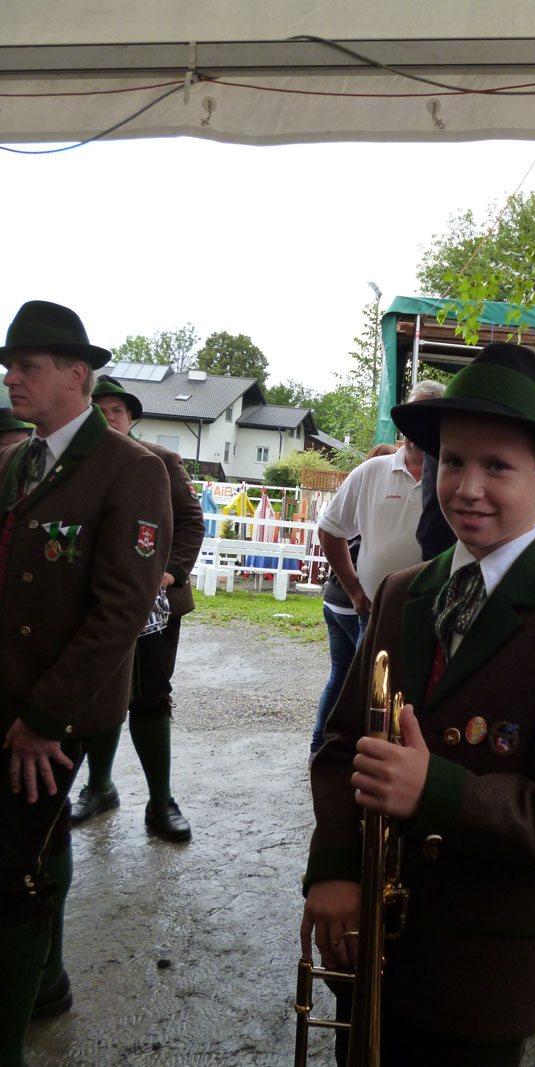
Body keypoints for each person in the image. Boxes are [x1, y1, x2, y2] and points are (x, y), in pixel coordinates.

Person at [300, 343, 535, 1067]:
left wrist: (438, 791)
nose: (468, 487)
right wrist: (332, 866)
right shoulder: (402, 591)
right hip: (370, 944)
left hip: (478, 973)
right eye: (453, 461)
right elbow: (339, 745)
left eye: (498, 467)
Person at [0, 300, 171, 1067]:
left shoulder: (131, 469)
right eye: (9, 366)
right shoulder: (18, 462)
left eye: (27, 366)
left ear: (77, 373)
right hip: (9, 699)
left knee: (15, 875)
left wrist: (44, 715)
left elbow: (120, 610)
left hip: (54, 710)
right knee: (36, 843)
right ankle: (46, 982)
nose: (12, 378)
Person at [68, 376, 205, 841]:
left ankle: (160, 801)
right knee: (100, 693)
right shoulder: (78, 463)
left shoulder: (160, 460)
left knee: (150, 696)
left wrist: (169, 573)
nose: (109, 418)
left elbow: (191, 522)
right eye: (100, 409)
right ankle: (99, 787)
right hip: (96, 603)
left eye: (117, 411)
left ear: (131, 418)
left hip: (155, 604)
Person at [317, 380, 444, 642]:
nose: (417, 424)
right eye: (412, 415)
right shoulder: (371, 471)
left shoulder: (453, 477)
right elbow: (329, 530)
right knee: (369, 672)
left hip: (433, 619)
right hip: (375, 615)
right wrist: (354, 590)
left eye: (427, 416)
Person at [308, 443, 397, 766]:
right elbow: (334, 536)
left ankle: (318, 745)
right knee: (362, 684)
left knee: (339, 676)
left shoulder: (356, 502)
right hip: (353, 604)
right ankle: (348, 752)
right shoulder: (370, 514)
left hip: (332, 601)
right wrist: (358, 592)